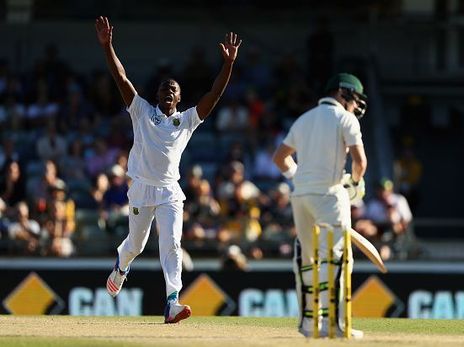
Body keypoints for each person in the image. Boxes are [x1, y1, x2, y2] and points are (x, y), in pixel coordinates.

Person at [95, 16, 241, 324]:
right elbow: (121, 79)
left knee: (172, 243)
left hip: (170, 192)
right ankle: (121, 266)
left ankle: (173, 302)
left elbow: (213, 95)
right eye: (163, 88)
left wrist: (227, 66)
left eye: (172, 89)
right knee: (136, 245)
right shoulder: (142, 112)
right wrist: (108, 47)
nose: (167, 91)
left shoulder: (187, 120)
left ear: (179, 97)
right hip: (140, 188)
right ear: (157, 95)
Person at [273, 73, 368, 338]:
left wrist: (297, 177)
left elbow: (280, 158)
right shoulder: (345, 119)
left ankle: (307, 324)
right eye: (356, 98)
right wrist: (354, 184)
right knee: (336, 259)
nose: (356, 105)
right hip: (329, 195)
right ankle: (335, 325)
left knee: (306, 259)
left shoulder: (304, 119)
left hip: (301, 196)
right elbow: (360, 163)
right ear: (344, 92)